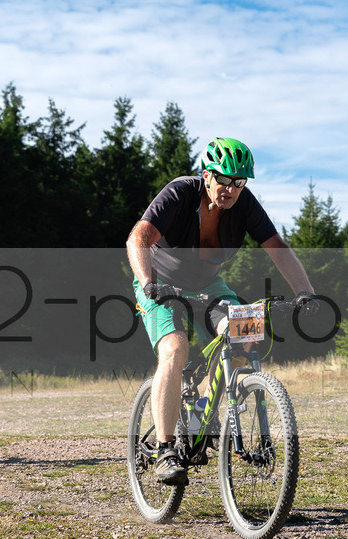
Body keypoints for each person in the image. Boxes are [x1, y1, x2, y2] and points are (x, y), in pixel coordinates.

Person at [126, 136, 319, 486]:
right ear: (206, 175)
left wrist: (305, 293)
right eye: (224, 180)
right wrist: (148, 281)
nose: (230, 189)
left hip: (208, 285)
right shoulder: (180, 193)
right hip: (160, 281)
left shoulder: (245, 205)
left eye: (239, 182)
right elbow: (138, 238)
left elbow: (277, 247)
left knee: (245, 334)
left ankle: (201, 414)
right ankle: (165, 449)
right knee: (174, 348)